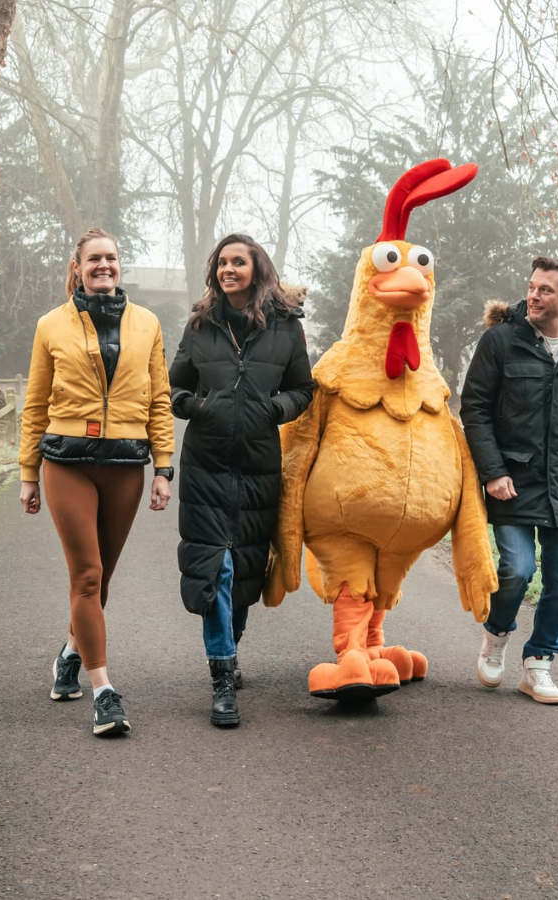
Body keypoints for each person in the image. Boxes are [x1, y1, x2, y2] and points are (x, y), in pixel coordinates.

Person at [19, 227, 175, 737]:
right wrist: (28, 474)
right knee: (86, 576)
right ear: (78, 267)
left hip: (126, 467)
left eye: (111, 258)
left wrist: (164, 468)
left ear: (118, 265)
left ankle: (70, 653)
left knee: (102, 578)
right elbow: (35, 404)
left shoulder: (147, 324)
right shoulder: (51, 325)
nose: (104, 265)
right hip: (67, 463)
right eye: (94, 259)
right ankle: (103, 692)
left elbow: (159, 399)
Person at [458, 256, 558, 704]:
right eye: (531, 286)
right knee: (516, 569)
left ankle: (539, 664)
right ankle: (496, 636)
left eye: (545, 289)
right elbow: (475, 410)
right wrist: (493, 472)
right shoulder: (501, 341)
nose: (533, 295)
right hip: (515, 478)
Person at [169, 233, 313, 727]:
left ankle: (230, 645)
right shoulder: (200, 324)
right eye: (222, 262)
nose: (229, 269)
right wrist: (199, 408)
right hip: (206, 461)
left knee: (245, 570)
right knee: (217, 568)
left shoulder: (285, 328)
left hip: (258, 462)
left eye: (239, 262)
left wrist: (273, 409)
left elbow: (302, 389)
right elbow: (176, 386)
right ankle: (222, 676)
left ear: (257, 269)